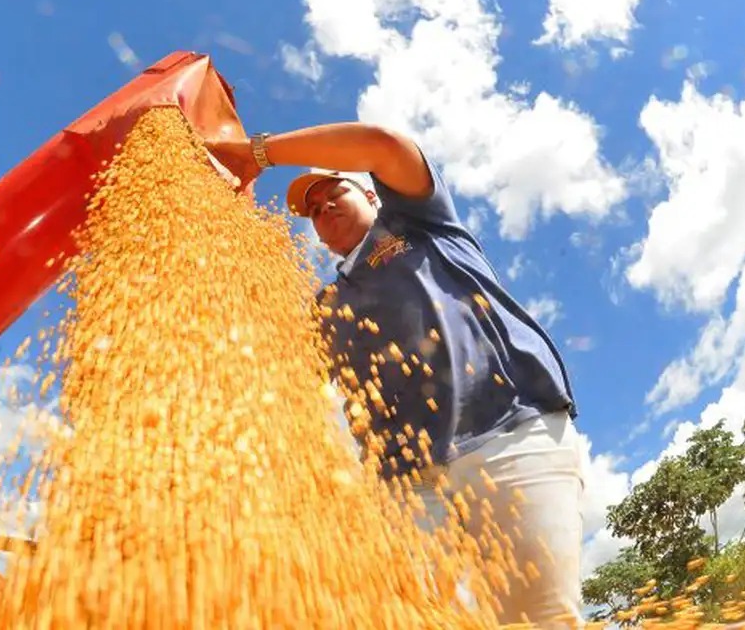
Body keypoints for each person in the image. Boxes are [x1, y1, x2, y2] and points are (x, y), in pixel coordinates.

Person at [207, 123, 586, 627]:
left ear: (370, 194)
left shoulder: (420, 223)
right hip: (404, 482)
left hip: (506, 431)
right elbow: (272, 377)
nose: (323, 208)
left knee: (539, 618)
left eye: (333, 192)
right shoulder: (326, 307)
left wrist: (256, 154)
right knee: (411, 617)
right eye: (313, 210)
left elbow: (383, 147)